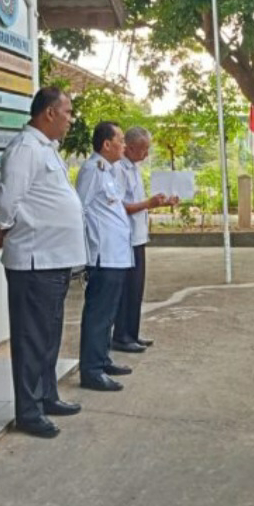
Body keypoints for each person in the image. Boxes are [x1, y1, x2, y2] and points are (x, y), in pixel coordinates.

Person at [0, 87, 85, 440]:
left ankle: (46, 395)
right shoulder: (26, 149)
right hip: (34, 259)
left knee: (48, 335)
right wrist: (3, 228)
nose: (70, 119)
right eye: (67, 112)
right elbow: (7, 202)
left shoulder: (47, 149)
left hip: (54, 258)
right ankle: (28, 411)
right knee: (31, 338)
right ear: (48, 113)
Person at [76, 122, 135, 392]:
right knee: (99, 314)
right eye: (120, 140)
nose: (124, 145)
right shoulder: (93, 170)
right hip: (104, 255)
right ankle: (91, 370)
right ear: (106, 144)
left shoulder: (109, 172)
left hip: (117, 254)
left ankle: (101, 358)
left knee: (108, 313)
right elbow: (81, 209)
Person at [113, 126, 174, 354]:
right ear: (128, 147)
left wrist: (160, 203)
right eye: (142, 149)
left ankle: (132, 332)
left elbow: (139, 202)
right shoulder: (118, 169)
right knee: (126, 290)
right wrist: (149, 204)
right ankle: (121, 335)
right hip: (125, 237)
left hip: (137, 236)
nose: (146, 154)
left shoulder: (135, 169)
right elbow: (119, 207)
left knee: (136, 289)